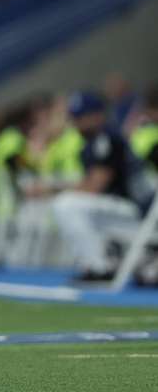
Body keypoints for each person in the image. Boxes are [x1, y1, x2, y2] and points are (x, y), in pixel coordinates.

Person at [52, 91, 141, 281]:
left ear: (97, 115)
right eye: (75, 118)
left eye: (81, 117)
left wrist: (52, 190)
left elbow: (94, 186)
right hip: (116, 208)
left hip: (134, 208)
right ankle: (98, 262)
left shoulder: (107, 138)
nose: (76, 123)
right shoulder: (91, 144)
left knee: (66, 204)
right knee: (69, 205)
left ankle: (100, 266)